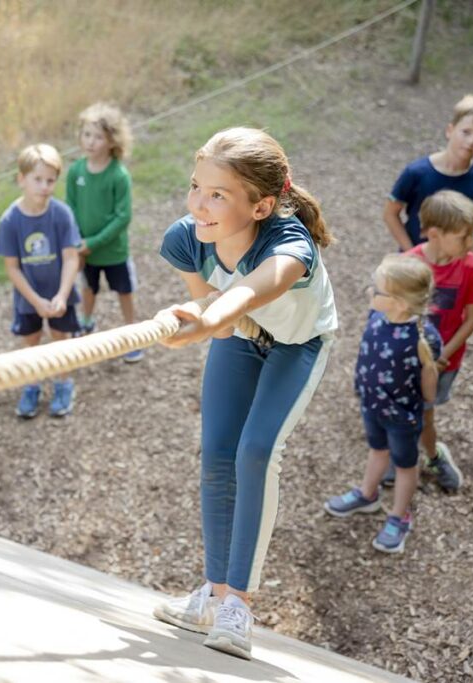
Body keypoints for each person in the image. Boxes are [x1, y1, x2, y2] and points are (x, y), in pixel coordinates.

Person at [151, 128, 337, 660]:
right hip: (241, 336)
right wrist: (203, 319)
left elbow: (256, 289)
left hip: (297, 348)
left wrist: (207, 319)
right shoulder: (184, 239)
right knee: (216, 455)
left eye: (218, 195)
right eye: (195, 187)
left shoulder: (289, 245)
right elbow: (217, 311)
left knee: (256, 452)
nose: (198, 205)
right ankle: (211, 594)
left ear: (262, 205)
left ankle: (238, 604)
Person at [324, 255, 441, 554]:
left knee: (404, 464)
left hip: (402, 415)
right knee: (377, 450)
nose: (369, 293)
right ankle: (367, 493)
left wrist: (426, 402)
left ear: (400, 303)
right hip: (372, 406)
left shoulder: (423, 337)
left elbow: (429, 385)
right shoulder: (377, 318)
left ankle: (400, 515)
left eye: (377, 290)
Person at [388, 190, 473, 493]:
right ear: (434, 234)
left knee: (423, 414)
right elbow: (391, 316)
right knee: (400, 413)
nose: (472, 244)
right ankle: (400, 460)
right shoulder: (407, 266)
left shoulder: (472, 267)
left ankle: (432, 455)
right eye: (465, 237)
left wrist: (440, 355)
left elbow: (472, 319)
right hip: (406, 362)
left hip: (443, 363)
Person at [0, 144, 82, 418]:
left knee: (60, 340)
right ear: (21, 179)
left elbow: (71, 258)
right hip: (28, 297)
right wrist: (36, 301)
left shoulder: (62, 214)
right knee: (31, 341)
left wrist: (61, 296)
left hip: (60, 294)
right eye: (37, 179)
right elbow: (12, 268)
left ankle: (63, 383)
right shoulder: (10, 221)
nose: (44, 186)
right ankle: (31, 385)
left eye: (50, 180)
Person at [65, 103, 140, 361]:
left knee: (124, 291)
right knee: (88, 289)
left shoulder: (118, 175)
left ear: (112, 140)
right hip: (85, 250)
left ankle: (133, 334)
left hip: (113, 251)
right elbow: (70, 210)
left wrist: (93, 242)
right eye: (87, 134)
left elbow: (123, 217)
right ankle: (86, 322)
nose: (91, 141)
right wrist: (77, 243)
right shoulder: (75, 172)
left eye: (98, 136)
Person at [383, 94, 473, 255]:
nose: (471, 141)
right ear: (450, 130)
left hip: (457, 269)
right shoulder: (416, 173)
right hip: (414, 265)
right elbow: (390, 213)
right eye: (466, 132)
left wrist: (467, 260)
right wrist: (412, 253)